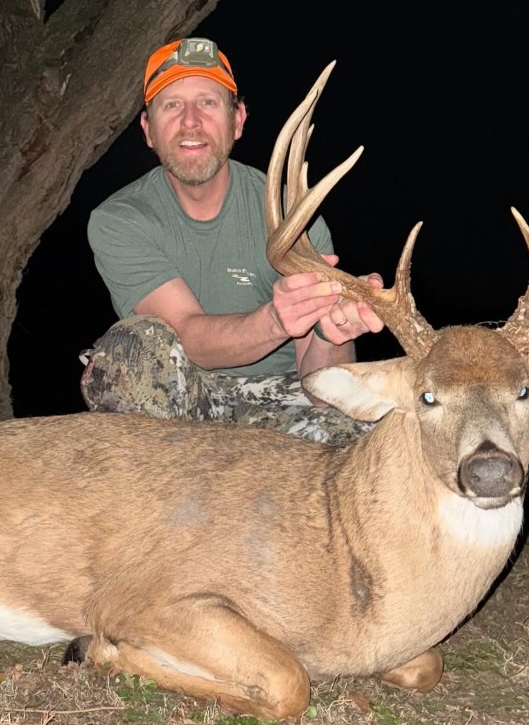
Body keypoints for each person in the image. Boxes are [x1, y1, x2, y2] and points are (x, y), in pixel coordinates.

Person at [80, 37, 384, 444]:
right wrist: (275, 321)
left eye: (208, 103)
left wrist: (333, 332)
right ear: (147, 130)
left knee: (371, 438)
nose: (190, 122)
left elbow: (320, 393)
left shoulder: (295, 216)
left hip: (283, 398)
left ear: (237, 120)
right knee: (129, 349)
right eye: (171, 105)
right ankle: (155, 482)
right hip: (185, 401)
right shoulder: (121, 219)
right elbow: (186, 334)